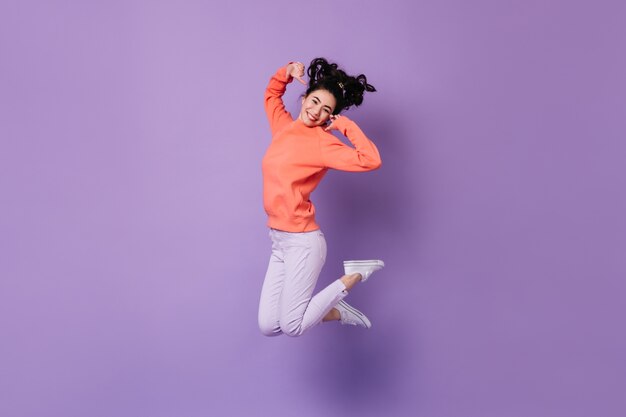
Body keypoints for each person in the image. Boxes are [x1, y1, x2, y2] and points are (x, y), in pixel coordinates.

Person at [258, 57, 385, 337]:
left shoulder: (324, 144)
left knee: (292, 327)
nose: (316, 112)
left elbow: (371, 159)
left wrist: (346, 126)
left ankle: (354, 275)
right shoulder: (282, 127)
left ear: (330, 117)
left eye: (326, 110)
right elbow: (272, 94)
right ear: (304, 98)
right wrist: (287, 71)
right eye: (314, 102)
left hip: (303, 242)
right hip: (278, 241)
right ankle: (335, 310)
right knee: (269, 326)